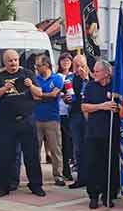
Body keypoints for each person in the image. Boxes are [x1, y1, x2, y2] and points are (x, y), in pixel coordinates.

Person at [0, 49, 46, 198]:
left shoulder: (27, 73)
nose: (13, 63)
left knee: (32, 156)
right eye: (10, 61)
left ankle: (36, 185)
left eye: (15, 60)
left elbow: (39, 93)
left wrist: (31, 85)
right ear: (5, 62)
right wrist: (4, 88)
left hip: (27, 121)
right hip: (7, 123)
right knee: (6, 156)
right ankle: (3, 187)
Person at [81, 59, 120, 209]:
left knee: (109, 165)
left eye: (97, 71)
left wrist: (117, 107)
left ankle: (108, 195)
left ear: (106, 73)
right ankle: (93, 196)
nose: (94, 74)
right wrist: (102, 106)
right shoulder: (90, 86)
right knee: (93, 165)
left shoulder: (115, 86)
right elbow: (84, 107)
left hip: (111, 132)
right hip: (93, 133)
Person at [33, 55, 65, 187]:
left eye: (38, 65)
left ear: (46, 66)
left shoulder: (57, 78)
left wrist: (41, 94)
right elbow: (34, 96)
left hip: (52, 118)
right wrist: (46, 95)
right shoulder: (35, 79)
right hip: (36, 118)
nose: (36, 68)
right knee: (35, 149)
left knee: (55, 148)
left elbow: (54, 95)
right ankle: (36, 177)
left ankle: (58, 175)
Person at [66, 54, 90, 189]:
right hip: (75, 115)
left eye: (82, 65)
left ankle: (91, 178)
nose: (79, 68)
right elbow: (67, 96)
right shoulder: (70, 78)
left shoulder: (91, 77)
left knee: (89, 147)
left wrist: (86, 78)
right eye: (76, 66)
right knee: (78, 148)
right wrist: (66, 99)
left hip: (89, 116)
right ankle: (81, 178)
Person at [57, 52, 74, 182]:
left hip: (72, 114)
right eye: (63, 60)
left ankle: (72, 167)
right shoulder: (56, 76)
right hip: (60, 113)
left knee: (71, 143)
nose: (65, 62)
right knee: (62, 144)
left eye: (68, 60)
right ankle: (65, 170)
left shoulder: (74, 76)